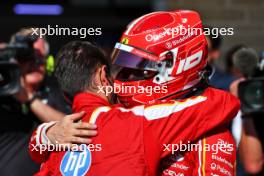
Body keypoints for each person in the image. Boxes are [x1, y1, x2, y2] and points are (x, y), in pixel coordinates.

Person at [29, 11, 240, 175]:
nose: (124, 77)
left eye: (139, 66)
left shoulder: (210, 132)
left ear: (178, 65)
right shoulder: (119, 114)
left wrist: (42, 136)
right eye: (124, 64)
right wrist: (46, 134)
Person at [0, 28, 70, 175]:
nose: (34, 63)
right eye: (26, 57)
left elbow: (72, 128)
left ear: (48, 62)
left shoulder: (59, 95)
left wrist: (29, 99)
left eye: (39, 58)